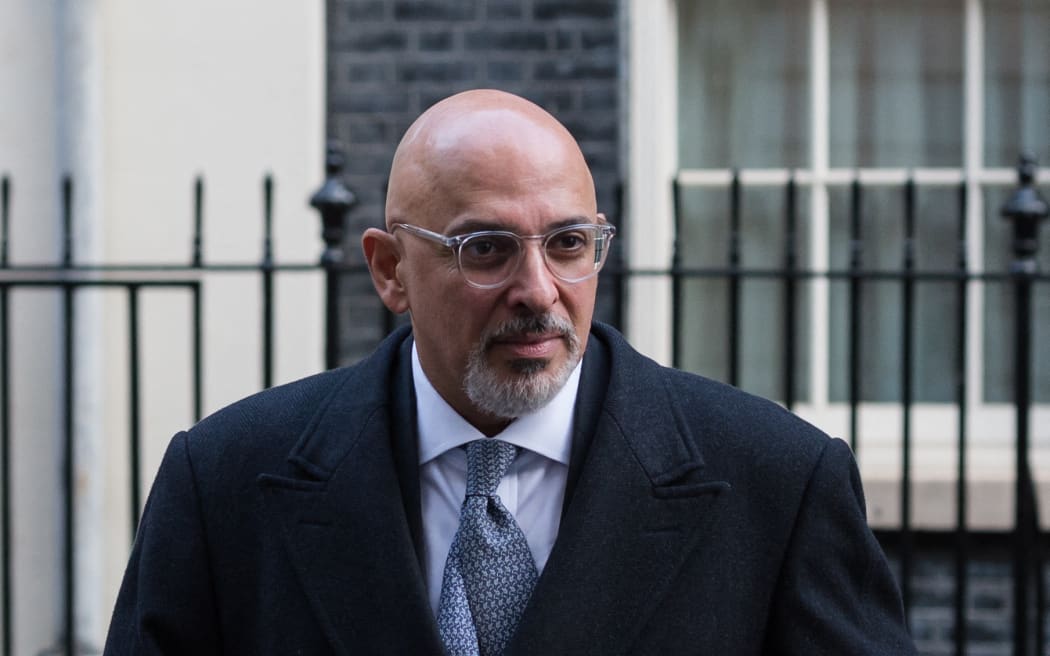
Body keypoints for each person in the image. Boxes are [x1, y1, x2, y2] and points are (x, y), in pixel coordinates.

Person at [104, 89, 916, 655]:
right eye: (484, 249)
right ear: (390, 271)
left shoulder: (777, 480)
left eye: (567, 244)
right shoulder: (223, 482)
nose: (538, 291)